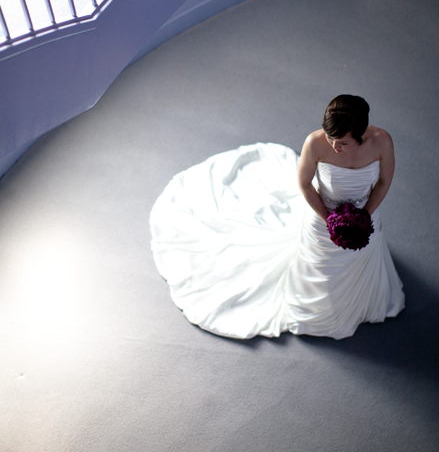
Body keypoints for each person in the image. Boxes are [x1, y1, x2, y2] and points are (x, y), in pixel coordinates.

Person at [149, 94, 404, 340]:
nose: (335, 147)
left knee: (361, 260)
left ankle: (358, 303)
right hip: (322, 217)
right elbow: (304, 184)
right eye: (330, 138)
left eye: (344, 143)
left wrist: (364, 218)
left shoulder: (382, 141)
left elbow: (383, 181)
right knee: (320, 267)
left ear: (361, 134)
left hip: (365, 217)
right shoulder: (314, 143)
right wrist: (329, 220)